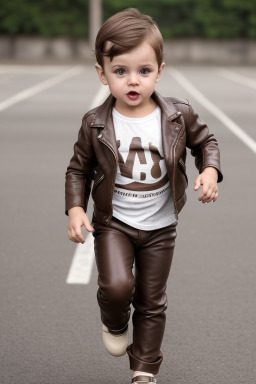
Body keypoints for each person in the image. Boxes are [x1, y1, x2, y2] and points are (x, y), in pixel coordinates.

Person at [65, 8, 223, 384]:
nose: (132, 81)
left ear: (160, 71)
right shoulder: (95, 122)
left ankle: (144, 370)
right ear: (102, 74)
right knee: (117, 287)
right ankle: (115, 322)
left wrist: (210, 170)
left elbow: (207, 142)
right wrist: (75, 208)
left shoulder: (177, 115)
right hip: (114, 223)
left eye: (144, 71)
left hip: (161, 226)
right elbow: (78, 169)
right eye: (120, 71)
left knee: (152, 301)